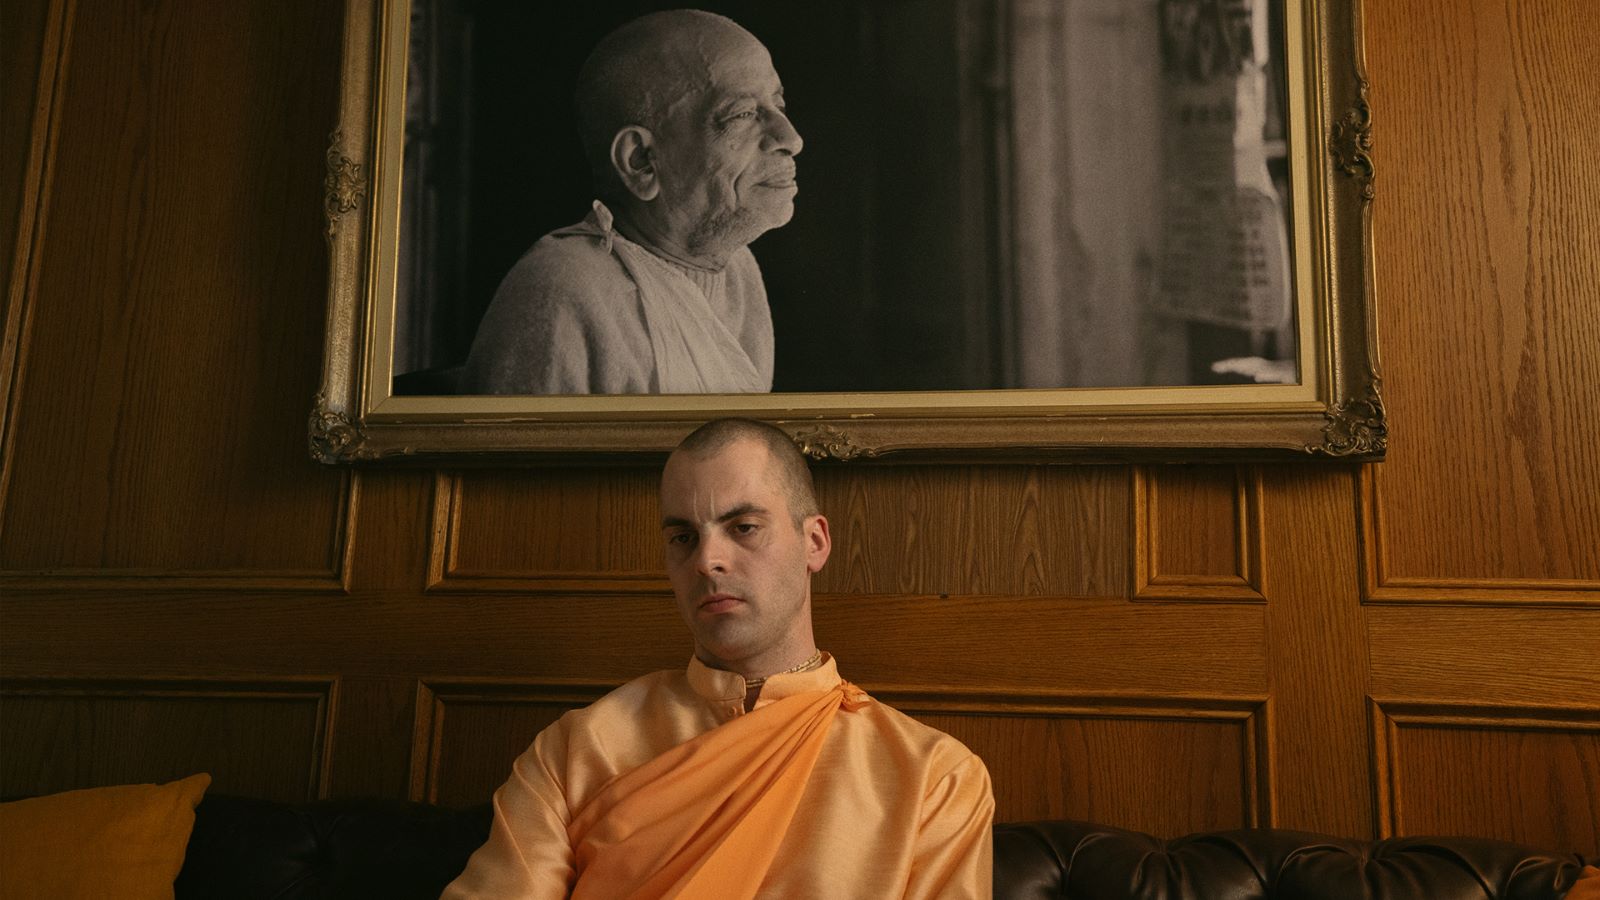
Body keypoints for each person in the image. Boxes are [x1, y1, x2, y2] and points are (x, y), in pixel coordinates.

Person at [442, 418, 995, 899]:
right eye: (683, 537)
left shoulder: (933, 777)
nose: (708, 560)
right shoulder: (578, 749)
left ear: (815, 543)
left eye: (743, 527)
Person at [463, 11, 801, 395]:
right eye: (741, 115)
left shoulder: (738, 270)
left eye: (779, 106)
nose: (791, 138)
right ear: (640, 161)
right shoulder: (562, 291)